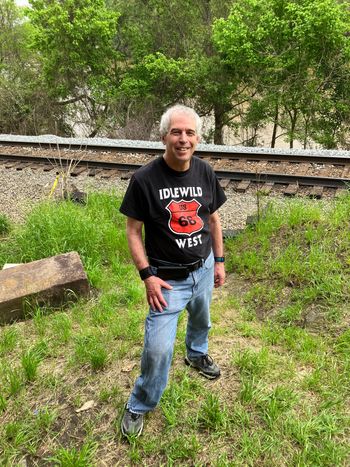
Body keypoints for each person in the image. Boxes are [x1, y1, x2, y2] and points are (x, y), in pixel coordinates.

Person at [119, 104, 227, 437]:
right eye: (176, 132)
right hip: (166, 282)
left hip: (204, 268)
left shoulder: (205, 171)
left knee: (202, 320)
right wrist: (147, 275)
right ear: (164, 136)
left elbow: (213, 219)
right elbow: (133, 230)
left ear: (197, 138)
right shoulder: (144, 180)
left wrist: (219, 261)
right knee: (158, 349)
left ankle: (196, 354)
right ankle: (140, 403)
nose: (183, 139)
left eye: (190, 132)